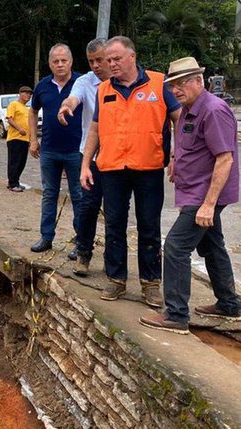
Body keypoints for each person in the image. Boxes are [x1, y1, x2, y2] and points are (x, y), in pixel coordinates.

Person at [140, 57, 241, 334]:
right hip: (195, 188)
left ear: (199, 80)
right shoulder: (189, 108)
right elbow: (188, 141)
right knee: (212, 245)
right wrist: (176, 158)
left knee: (175, 247)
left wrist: (208, 205)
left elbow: (225, 159)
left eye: (182, 83)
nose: (176, 90)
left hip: (205, 194)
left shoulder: (214, 110)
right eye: (172, 85)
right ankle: (230, 305)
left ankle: (176, 315)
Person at [80, 36, 181, 307]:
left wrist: (178, 153)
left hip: (148, 167)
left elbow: (180, 119)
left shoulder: (159, 84)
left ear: (132, 57)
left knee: (149, 226)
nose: (111, 64)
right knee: (114, 226)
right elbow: (95, 129)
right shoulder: (103, 90)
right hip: (112, 168)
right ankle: (116, 279)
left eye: (116, 59)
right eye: (108, 60)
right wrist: (85, 164)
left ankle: (150, 283)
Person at [57, 38, 112, 273]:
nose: (96, 65)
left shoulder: (122, 83)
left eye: (100, 60)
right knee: (87, 206)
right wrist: (66, 105)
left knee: (115, 210)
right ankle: (83, 252)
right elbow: (74, 97)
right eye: (91, 61)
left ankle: (114, 258)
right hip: (89, 155)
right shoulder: (84, 82)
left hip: (118, 156)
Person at [29, 43, 83, 254]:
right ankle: (46, 237)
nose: (60, 64)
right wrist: (33, 140)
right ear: (50, 64)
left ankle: (81, 241)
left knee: (79, 196)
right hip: (49, 150)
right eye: (55, 61)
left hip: (77, 151)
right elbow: (32, 112)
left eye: (64, 60)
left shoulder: (82, 83)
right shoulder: (43, 86)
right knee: (49, 193)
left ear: (71, 61)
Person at [5, 86, 32, 192]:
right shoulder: (14, 104)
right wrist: (19, 129)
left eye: (30, 94)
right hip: (15, 138)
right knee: (14, 161)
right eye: (26, 93)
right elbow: (9, 119)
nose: (28, 95)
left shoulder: (27, 109)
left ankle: (16, 181)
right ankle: (12, 183)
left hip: (25, 139)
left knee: (22, 162)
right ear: (20, 93)